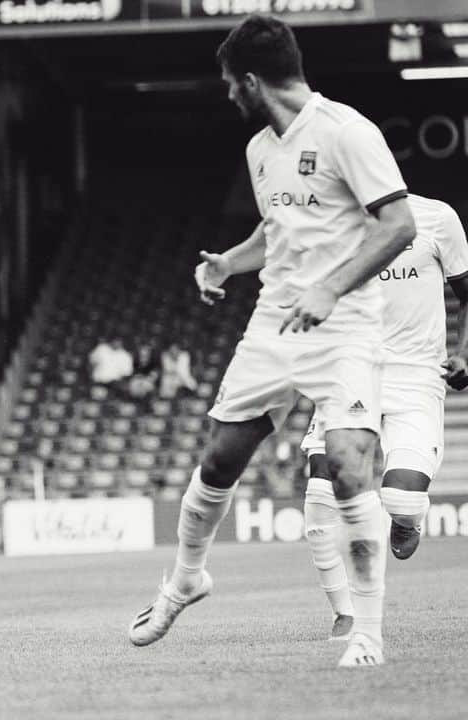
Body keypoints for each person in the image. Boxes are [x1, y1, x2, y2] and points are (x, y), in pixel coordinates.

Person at [126, 16, 416, 668]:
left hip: (343, 324)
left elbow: (398, 225)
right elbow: (277, 229)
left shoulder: (347, 131)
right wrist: (229, 263)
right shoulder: (261, 148)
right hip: (274, 322)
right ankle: (185, 580)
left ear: (253, 80)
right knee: (222, 457)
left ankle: (366, 633)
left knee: (347, 464)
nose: (229, 95)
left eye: (232, 84)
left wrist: (331, 289)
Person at [299, 193, 468, 639]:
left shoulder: (436, 217)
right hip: (350, 371)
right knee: (319, 499)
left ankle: (407, 520)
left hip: (416, 376)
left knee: (403, 499)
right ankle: (345, 613)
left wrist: (464, 352)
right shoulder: (332, 221)